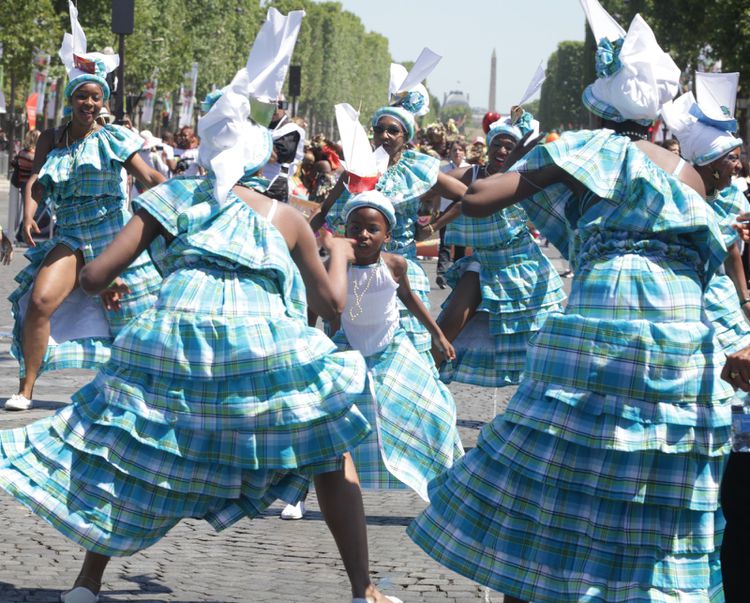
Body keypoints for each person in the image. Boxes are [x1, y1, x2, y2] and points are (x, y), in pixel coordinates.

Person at [0, 10, 401, 603]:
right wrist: (336, 250)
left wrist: (125, 271)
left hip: (172, 338)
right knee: (326, 445)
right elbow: (332, 304)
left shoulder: (172, 197)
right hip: (264, 345)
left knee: (129, 448)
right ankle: (363, 587)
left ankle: (87, 582)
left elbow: (95, 276)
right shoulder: (284, 217)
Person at [407, 5, 731, 601]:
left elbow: (482, 197)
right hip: (683, 329)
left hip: (606, 310)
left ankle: (536, 580)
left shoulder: (587, 151)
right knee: (648, 475)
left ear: (598, 108)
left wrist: (435, 173)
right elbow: (710, 254)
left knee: (551, 463)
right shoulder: (689, 173)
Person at [4, 2, 164, 412]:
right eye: (83, 97)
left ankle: (141, 394)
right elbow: (37, 182)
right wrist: (26, 213)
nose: (89, 104)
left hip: (116, 236)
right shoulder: (51, 140)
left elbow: (149, 179)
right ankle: (26, 388)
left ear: (102, 100)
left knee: (135, 321)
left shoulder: (114, 139)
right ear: (72, 99)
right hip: (72, 234)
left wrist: (186, 199)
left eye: (96, 97)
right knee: (39, 302)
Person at [310, 50, 467, 363]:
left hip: (400, 266)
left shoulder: (419, 168)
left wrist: (434, 226)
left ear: (406, 136)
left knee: (404, 347)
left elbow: (466, 196)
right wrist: (301, 241)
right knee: (346, 340)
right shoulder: (359, 164)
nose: (384, 135)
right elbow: (325, 210)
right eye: (379, 129)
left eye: (392, 130)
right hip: (355, 264)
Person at [662, 76, 750, 603]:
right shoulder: (686, 205)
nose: (739, 167)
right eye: (732, 158)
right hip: (706, 337)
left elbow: (731, 259)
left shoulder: (716, 202)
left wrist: (743, 305)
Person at [424, 93, 565, 388]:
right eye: (497, 144)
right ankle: (423, 380)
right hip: (483, 260)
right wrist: (430, 219)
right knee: (449, 322)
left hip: (521, 262)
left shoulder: (525, 177)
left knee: (542, 333)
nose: (502, 150)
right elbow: (450, 195)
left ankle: (539, 394)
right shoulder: (469, 173)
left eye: (509, 146)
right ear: (488, 146)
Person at [335, 190, 463, 500]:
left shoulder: (395, 265)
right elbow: (319, 301)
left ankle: (446, 479)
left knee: (433, 407)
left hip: (392, 349)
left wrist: (438, 334)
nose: (363, 236)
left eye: (372, 229)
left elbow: (410, 299)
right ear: (345, 232)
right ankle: (304, 489)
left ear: (387, 235)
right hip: (349, 350)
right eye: (355, 229)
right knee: (330, 417)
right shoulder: (337, 265)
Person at [435, 139, 468, 288]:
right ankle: (442, 274)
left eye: (460, 150)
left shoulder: (470, 169)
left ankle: (458, 273)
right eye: (454, 150)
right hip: (446, 210)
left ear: (464, 152)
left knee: (460, 244)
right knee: (445, 243)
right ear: (450, 153)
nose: (457, 153)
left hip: (463, 211)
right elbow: (436, 191)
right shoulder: (444, 170)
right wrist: (435, 210)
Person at [264, 97, 306, 203]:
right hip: (252, 182)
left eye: (276, 105)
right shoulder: (260, 125)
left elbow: (274, 157)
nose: (273, 109)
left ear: (283, 106)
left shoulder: (291, 130)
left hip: (274, 187)